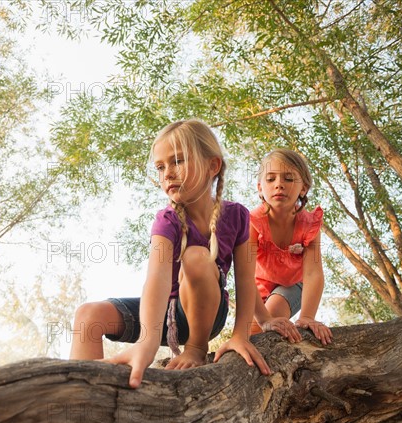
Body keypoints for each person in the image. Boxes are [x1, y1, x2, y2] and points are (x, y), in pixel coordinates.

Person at [69, 119, 272, 388]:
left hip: (208, 310)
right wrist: (147, 341)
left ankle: (196, 348)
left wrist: (241, 335)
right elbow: (157, 279)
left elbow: (247, 282)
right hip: (168, 312)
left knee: (196, 257)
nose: (167, 174)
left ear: (213, 165)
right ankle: (84, 395)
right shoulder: (166, 221)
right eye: (161, 167)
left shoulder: (236, 215)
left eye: (177, 161)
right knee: (88, 315)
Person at [249, 149, 333, 345]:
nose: (279, 184)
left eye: (288, 179)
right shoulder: (253, 222)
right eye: (271, 179)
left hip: (293, 284)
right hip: (257, 287)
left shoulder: (309, 224)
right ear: (260, 188)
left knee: (274, 312)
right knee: (251, 336)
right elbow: (244, 275)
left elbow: (313, 273)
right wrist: (263, 319)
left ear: (303, 188)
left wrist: (307, 317)